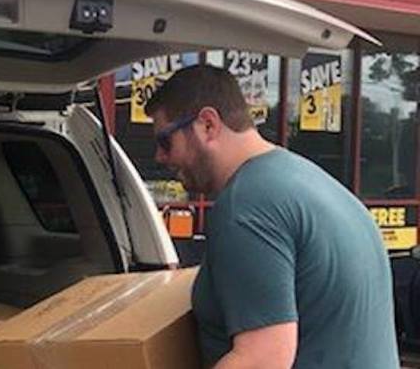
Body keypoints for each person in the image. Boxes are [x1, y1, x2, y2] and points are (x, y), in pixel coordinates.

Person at [146, 64, 399, 369]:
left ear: (208, 125)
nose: (160, 157)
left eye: (165, 141)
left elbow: (262, 359)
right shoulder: (310, 181)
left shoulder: (246, 204)